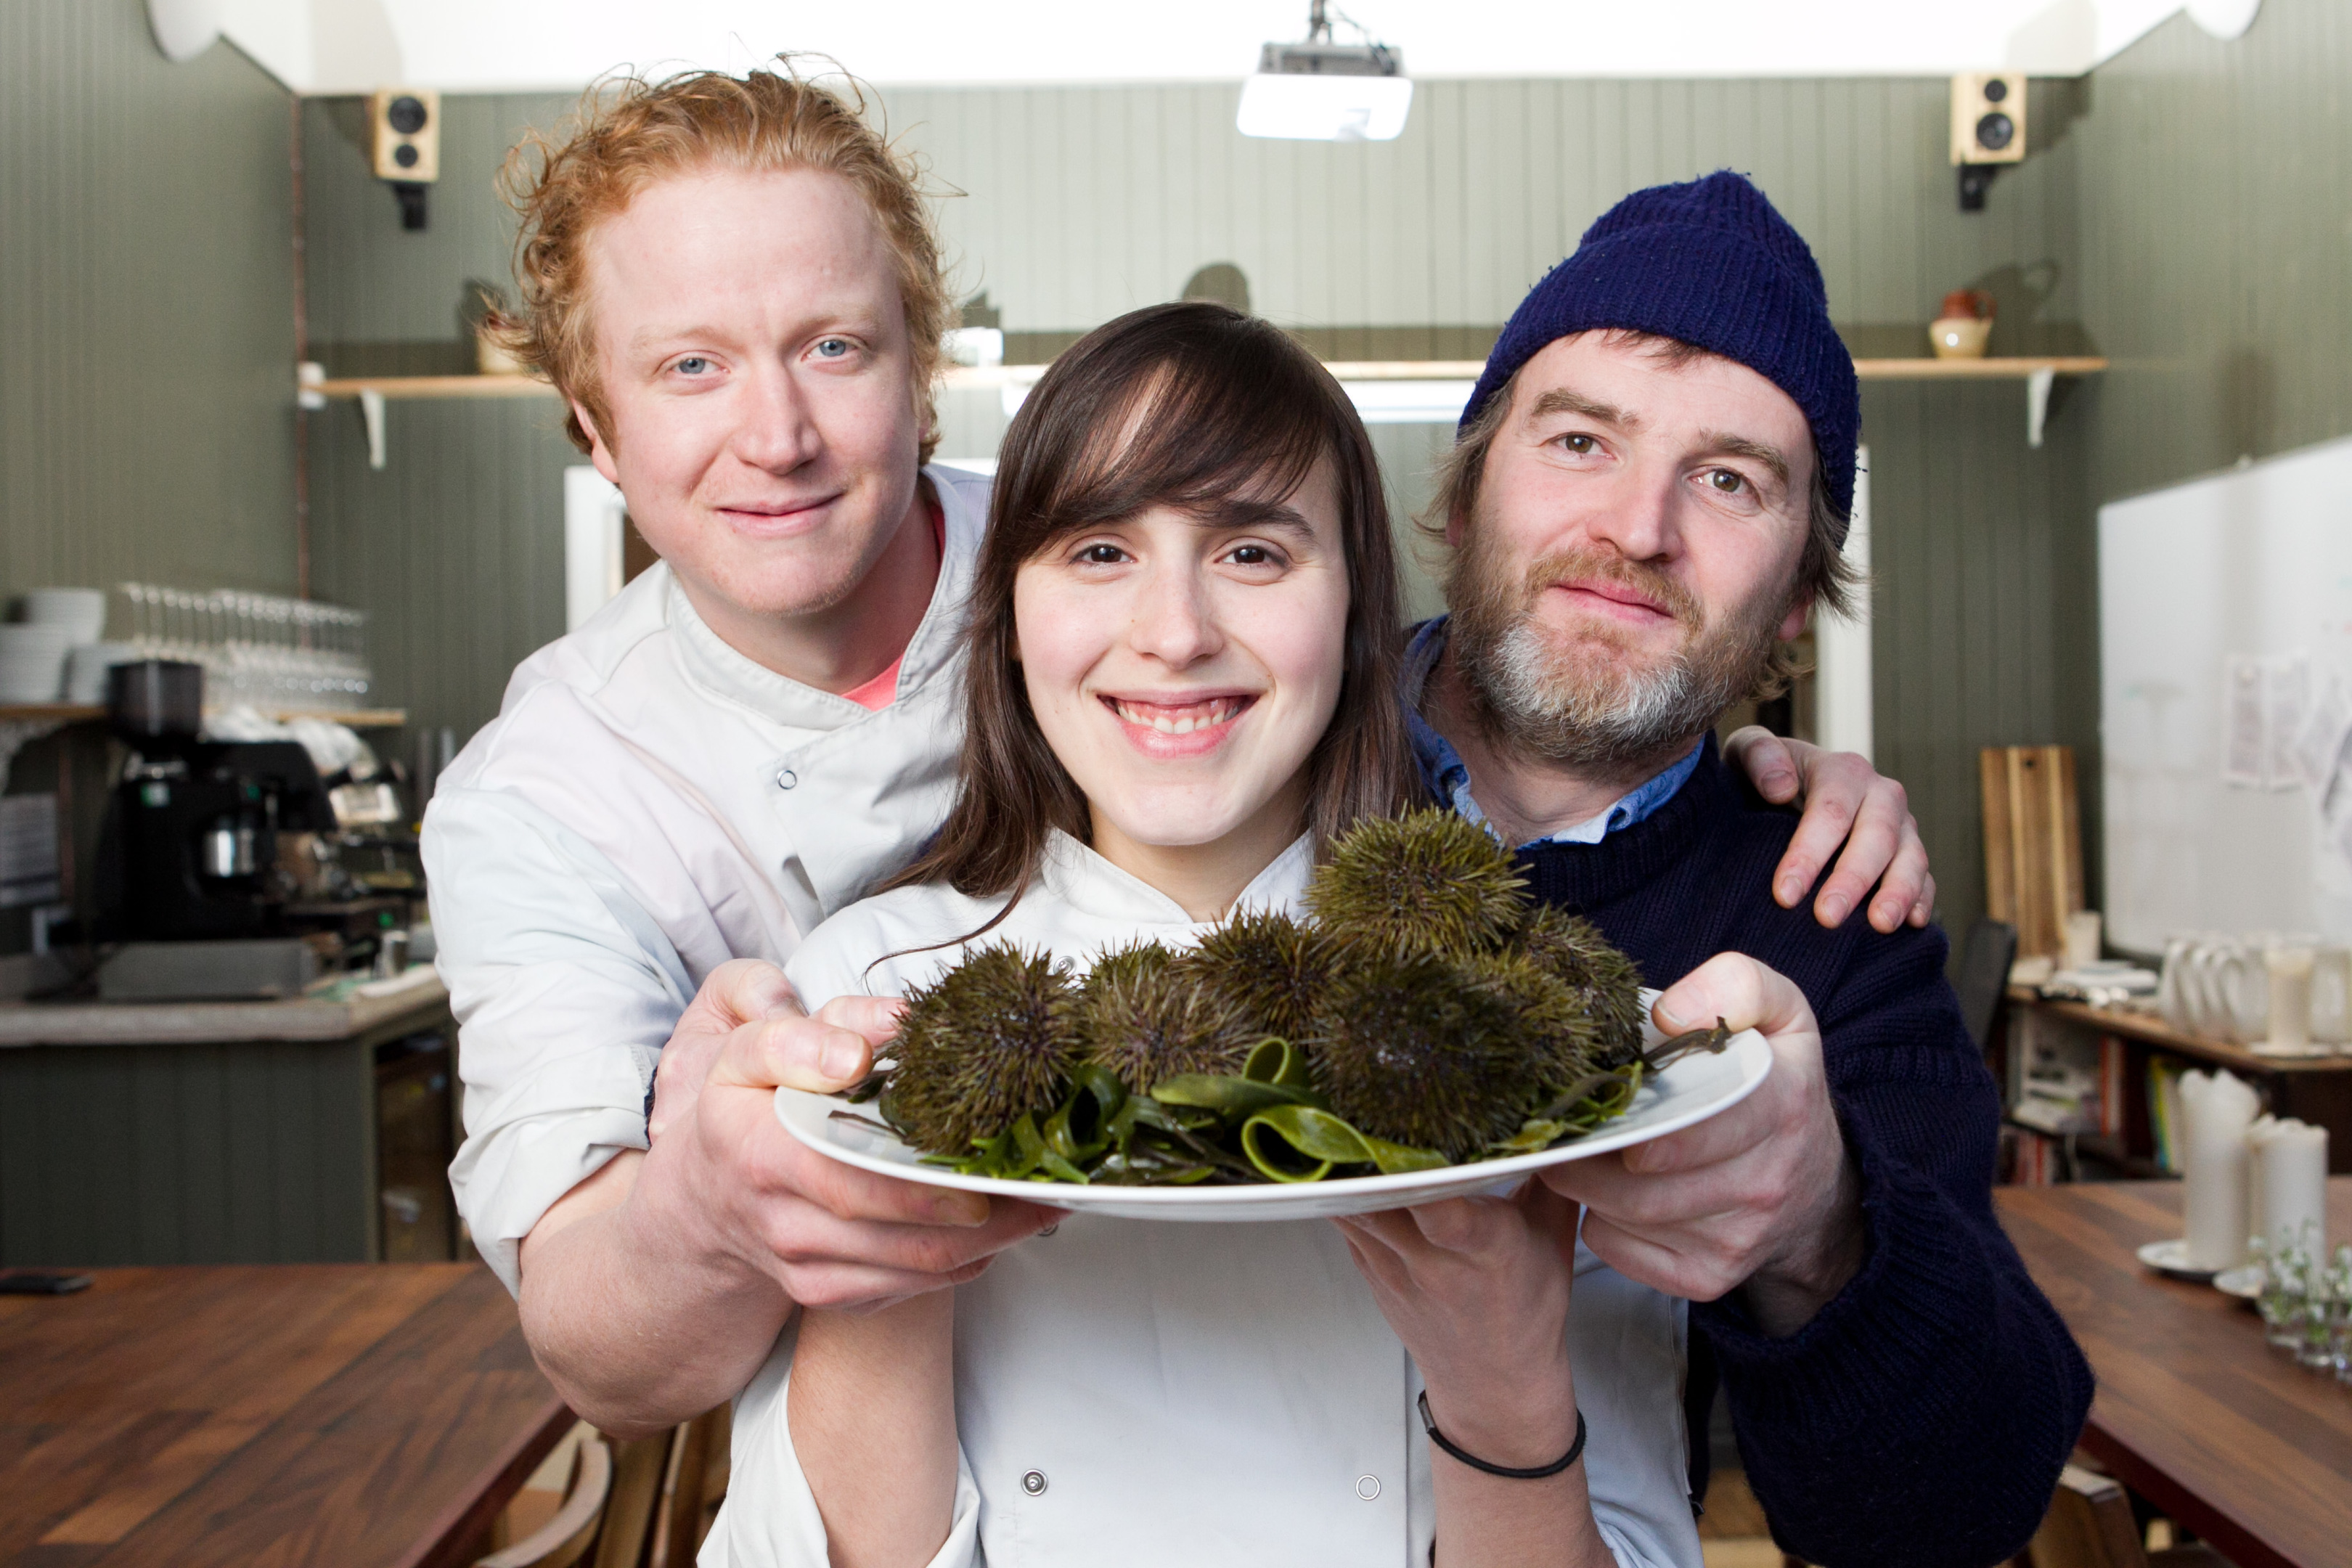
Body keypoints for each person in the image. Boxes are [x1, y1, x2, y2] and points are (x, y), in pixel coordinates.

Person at [426, 63, 1932, 1455]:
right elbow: (600, 1359)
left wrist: (1720, 746)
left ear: (919, 371)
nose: (777, 434)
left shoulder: (1119, 552)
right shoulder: (541, 796)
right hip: (882, 1405)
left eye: (833, 347)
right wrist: (703, 1214)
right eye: (689, 366)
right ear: (596, 432)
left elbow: (1411, 699)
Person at [736, 298, 1698, 1568]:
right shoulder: (862, 990)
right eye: (1097, 552)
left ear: (1358, 615)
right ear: (1010, 608)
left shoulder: (1517, 1014)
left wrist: (1504, 1386)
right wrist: (891, 1234)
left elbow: (1636, 1541)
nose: (1176, 634)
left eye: (1252, 552)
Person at [1400, 170, 2092, 1567]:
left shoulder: (1831, 917)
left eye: (1728, 479)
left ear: (1793, 600)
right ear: (1470, 495)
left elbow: (1954, 1516)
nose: (1640, 528)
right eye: (1583, 440)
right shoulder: (1221, 759)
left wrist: (1823, 1228)